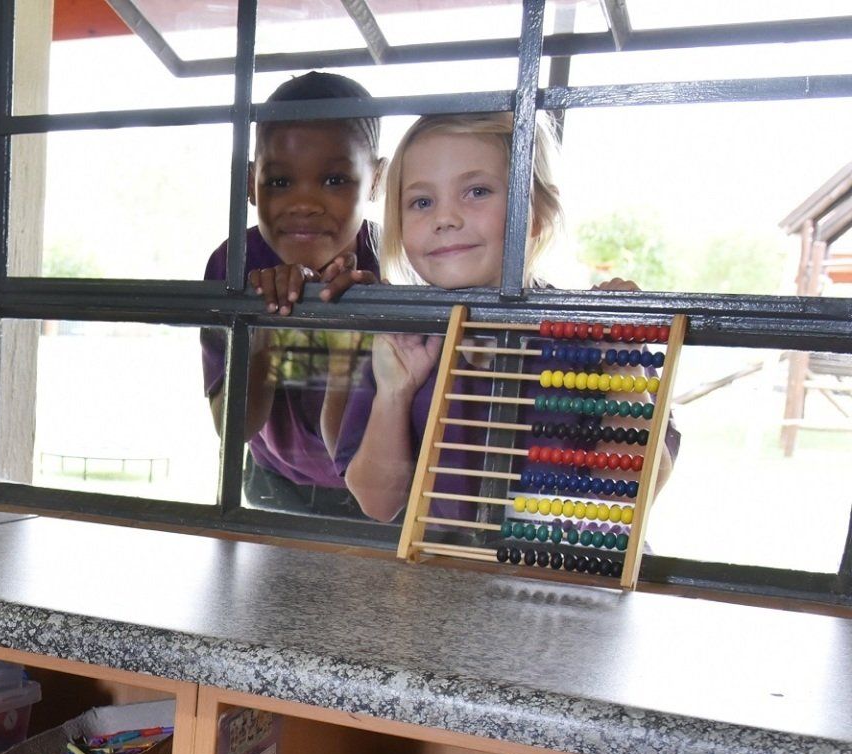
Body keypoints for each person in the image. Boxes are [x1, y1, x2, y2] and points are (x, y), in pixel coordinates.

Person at [335, 112, 677, 522]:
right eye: (421, 202)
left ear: (539, 213)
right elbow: (378, 503)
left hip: (571, 577)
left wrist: (623, 364)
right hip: (451, 575)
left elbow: (626, 500)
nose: (445, 218)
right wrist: (394, 393)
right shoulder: (404, 338)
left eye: (477, 191)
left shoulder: (591, 335)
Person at [201, 72, 384, 519]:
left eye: (336, 179)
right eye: (280, 182)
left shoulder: (394, 265)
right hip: (275, 485)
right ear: (250, 183)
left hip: (383, 492)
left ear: (377, 180)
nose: (304, 202)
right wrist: (265, 329)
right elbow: (233, 426)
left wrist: (370, 322)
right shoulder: (235, 267)